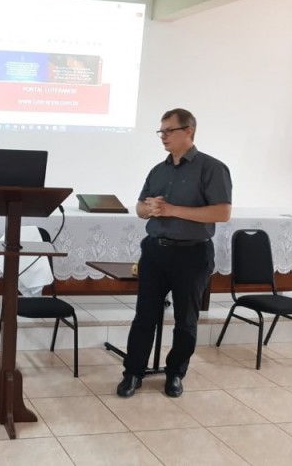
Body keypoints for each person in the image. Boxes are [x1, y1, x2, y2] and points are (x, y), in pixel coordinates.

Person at [117, 108, 232, 399]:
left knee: (186, 320)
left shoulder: (212, 168)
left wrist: (172, 210)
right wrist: (149, 208)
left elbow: (222, 212)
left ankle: (175, 374)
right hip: (155, 252)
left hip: (192, 255)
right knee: (144, 316)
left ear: (188, 131)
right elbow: (140, 208)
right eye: (161, 131)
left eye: (169, 130)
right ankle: (133, 372)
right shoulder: (159, 170)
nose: (163, 136)